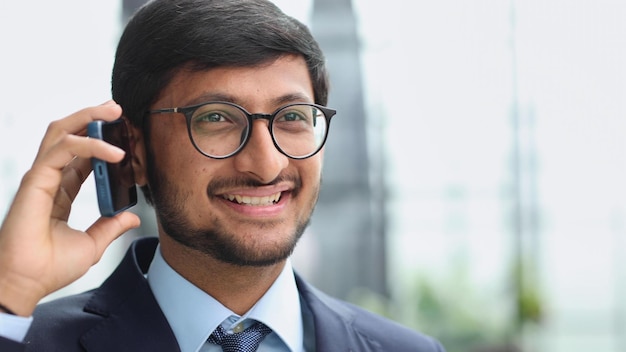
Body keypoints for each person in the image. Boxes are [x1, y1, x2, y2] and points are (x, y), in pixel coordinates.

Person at [0, 0, 446, 351]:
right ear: (133, 152)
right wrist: (10, 291)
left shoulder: (408, 349)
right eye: (215, 118)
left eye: (292, 116)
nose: (267, 165)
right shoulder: (28, 341)